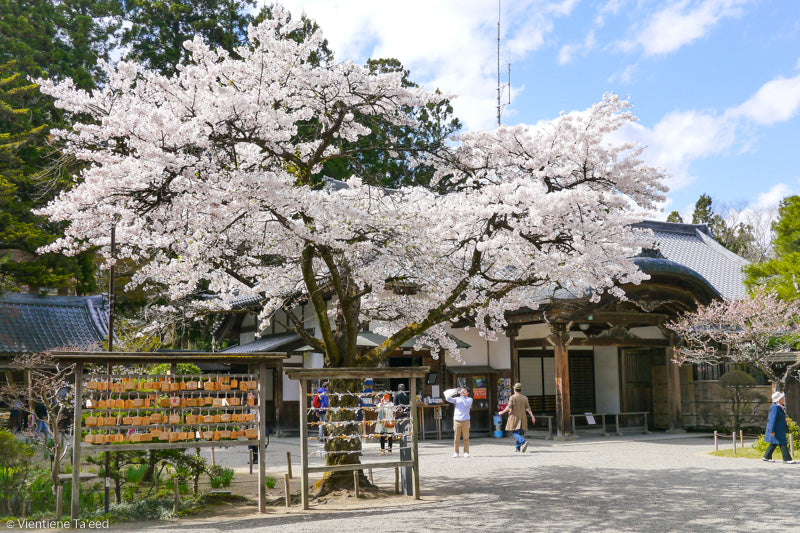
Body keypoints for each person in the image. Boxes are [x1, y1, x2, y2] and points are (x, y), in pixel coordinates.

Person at [498, 383, 535, 453]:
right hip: (522, 418)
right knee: (519, 432)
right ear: (520, 390)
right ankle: (518, 448)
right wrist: (532, 417)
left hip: (514, 417)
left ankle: (523, 441)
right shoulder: (525, 398)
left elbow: (509, 407)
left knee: (514, 433)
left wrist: (502, 412)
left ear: (514, 389)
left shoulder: (512, 397)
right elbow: (528, 408)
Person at [763, 391, 795, 464]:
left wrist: (784, 419)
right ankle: (787, 459)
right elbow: (772, 419)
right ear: (779, 399)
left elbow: (777, 418)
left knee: (774, 443)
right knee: (782, 443)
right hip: (777, 429)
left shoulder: (779, 407)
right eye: (782, 398)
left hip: (779, 428)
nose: (783, 399)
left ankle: (766, 457)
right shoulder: (775, 407)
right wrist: (771, 430)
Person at [446, 387, 473, 458]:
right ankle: (456, 452)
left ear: (468, 393)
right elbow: (448, 398)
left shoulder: (469, 399)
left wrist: (462, 396)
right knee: (456, 437)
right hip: (457, 420)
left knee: (466, 437)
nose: (463, 391)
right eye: (462, 390)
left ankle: (466, 452)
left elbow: (466, 404)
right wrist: (454, 391)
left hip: (466, 420)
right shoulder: (457, 399)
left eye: (465, 391)